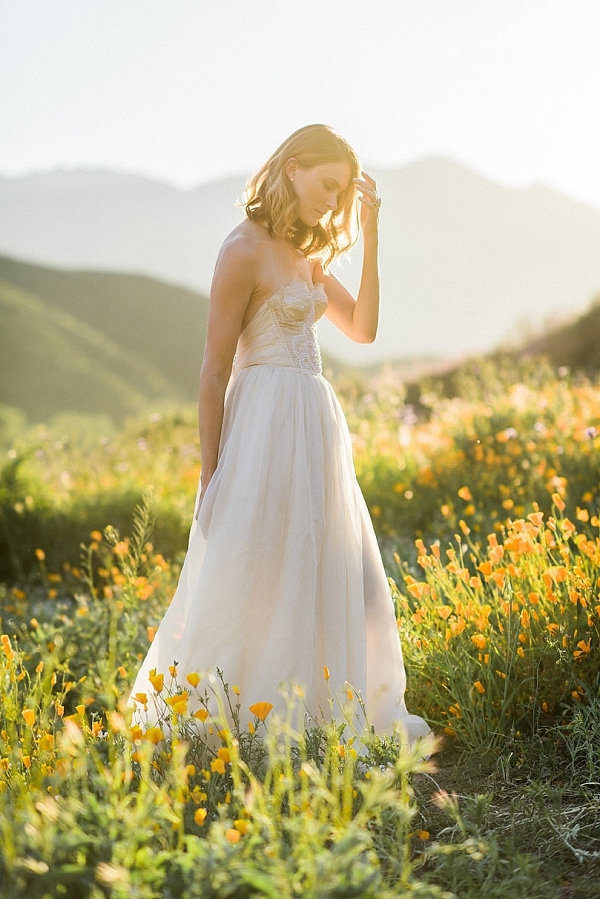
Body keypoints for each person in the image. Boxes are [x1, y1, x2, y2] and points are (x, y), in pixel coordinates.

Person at [129, 124, 430, 745]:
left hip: (316, 425)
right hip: (262, 422)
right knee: (253, 566)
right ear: (291, 169)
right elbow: (213, 371)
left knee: (324, 561)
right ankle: (235, 719)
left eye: (343, 193)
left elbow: (364, 329)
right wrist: (211, 476)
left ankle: (318, 714)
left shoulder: (309, 255)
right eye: (327, 185)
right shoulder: (241, 250)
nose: (332, 202)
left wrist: (371, 238)